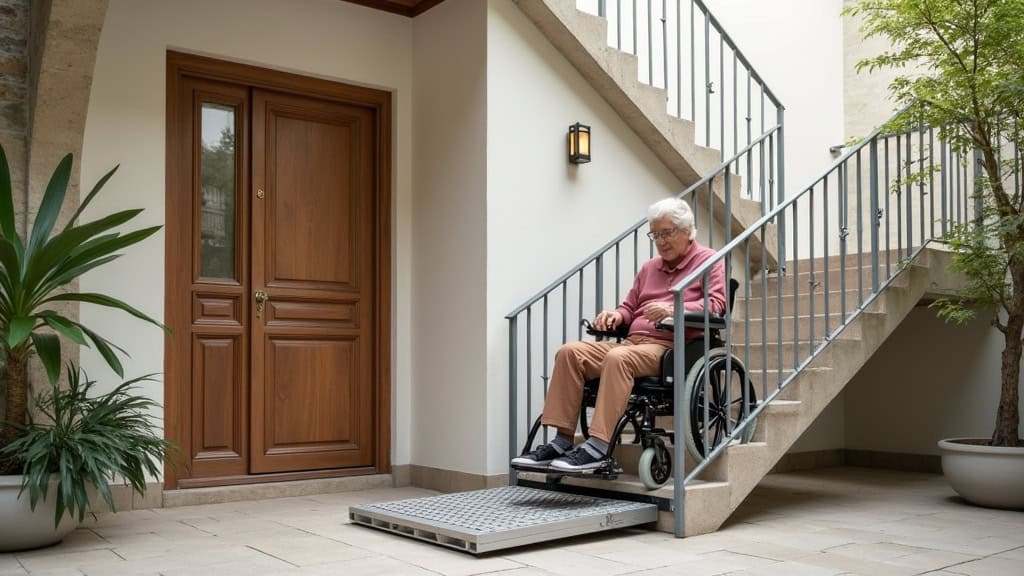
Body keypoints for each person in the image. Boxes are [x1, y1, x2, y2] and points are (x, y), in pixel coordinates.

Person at [511, 197, 726, 472]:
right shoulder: (649, 268)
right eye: (655, 234)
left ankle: (599, 447)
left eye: (667, 233)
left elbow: (716, 307)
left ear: (688, 230)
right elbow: (629, 307)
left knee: (618, 358)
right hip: (632, 342)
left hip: (670, 347)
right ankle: (561, 440)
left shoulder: (708, 261)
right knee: (570, 352)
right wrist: (616, 315)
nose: (660, 241)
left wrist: (673, 308)